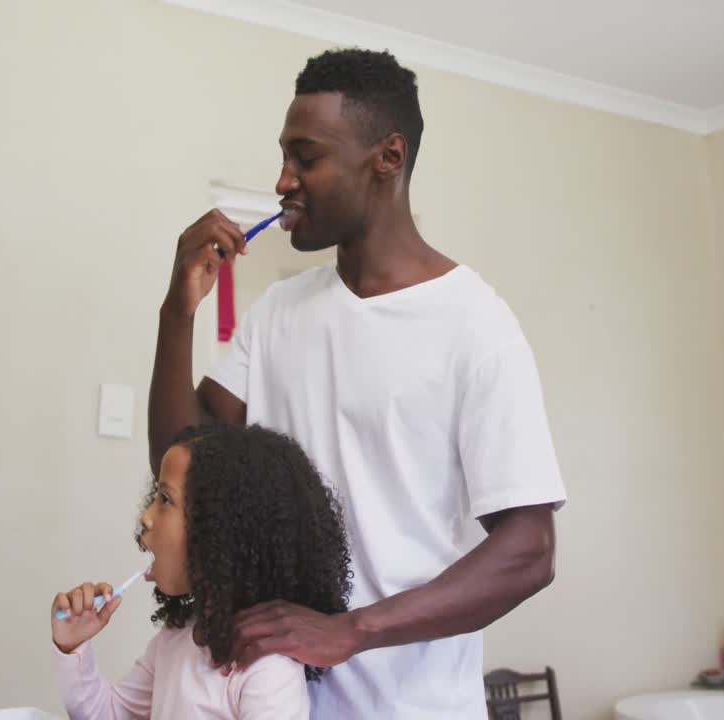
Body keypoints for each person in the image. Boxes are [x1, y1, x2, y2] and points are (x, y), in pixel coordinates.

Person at [148, 47, 567, 718]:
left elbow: (529, 551)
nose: (283, 181)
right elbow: (181, 469)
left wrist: (351, 630)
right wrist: (178, 313)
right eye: (283, 157)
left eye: (305, 157)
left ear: (388, 158)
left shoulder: (475, 325)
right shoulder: (277, 314)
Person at [51, 424, 352, 719]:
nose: (146, 517)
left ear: (220, 534)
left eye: (165, 500)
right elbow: (112, 714)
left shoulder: (267, 665)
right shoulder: (176, 638)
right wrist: (74, 646)